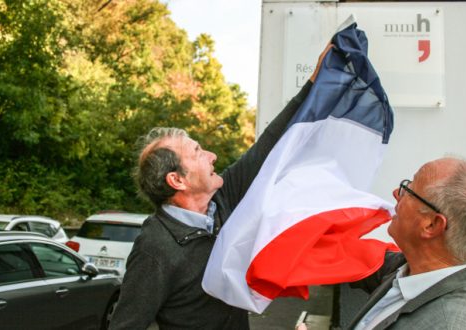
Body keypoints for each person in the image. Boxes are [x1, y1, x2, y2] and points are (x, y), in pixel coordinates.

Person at [109, 44, 334, 330]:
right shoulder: (155, 248)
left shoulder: (222, 200)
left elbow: (271, 141)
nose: (212, 156)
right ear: (177, 180)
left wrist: (314, 84)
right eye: (198, 152)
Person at [297, 157, 466, 330]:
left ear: (431, 225)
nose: (397, 194)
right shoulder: (412, 269)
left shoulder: (451, 324)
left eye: (409, 190)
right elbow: (355, 258)